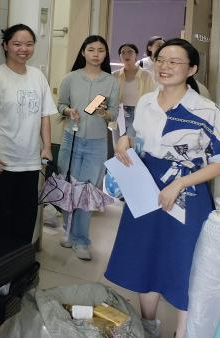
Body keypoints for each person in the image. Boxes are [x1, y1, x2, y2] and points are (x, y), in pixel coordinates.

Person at [105, 39, 220, 338]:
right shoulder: (146, 102)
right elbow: (138, 137)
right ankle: (148, 325)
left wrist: (179, 183)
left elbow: (218, 163)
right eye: (160, 60)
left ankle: (183, 332)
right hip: (145, 187)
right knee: (147, 256)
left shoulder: (206, 110)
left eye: (174, 61)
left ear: (191, 69)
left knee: (185, 262)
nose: (165, 66)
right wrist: (125, 140)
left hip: (188, 193)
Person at [0, 24, 58, 242]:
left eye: (29, 44)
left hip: (30, 162)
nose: (24, 49)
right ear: (6, 46)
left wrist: (47, 147)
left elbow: (44, 115)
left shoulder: (37, 76)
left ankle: (21, 261)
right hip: (2, 162)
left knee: (25, 219)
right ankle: (0, 262)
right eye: (17, 44)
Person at [56, 35, 119, 261]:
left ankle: (81, 240)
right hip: (71, 139)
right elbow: (60, 104)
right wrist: (68, 111)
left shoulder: (111, 81)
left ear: (105, 54)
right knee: (69, 187)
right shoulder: (71, 78)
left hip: (97, 142)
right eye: (91, 49)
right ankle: (68, 231)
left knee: (86, 191)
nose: (95, 54)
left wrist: (104, 113)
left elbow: (114, 113)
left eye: (100, 50)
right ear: (83, 52)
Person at [113, 43, 157, 137]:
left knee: (131, 144)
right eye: (123, 52)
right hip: (119, 113)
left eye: (130, 52)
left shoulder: (146, 75)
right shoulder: (114, 76)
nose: (126, 55)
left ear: (136, 55)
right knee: (118, 144)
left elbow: (153, 97)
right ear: (120, 57)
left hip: (138, 112)